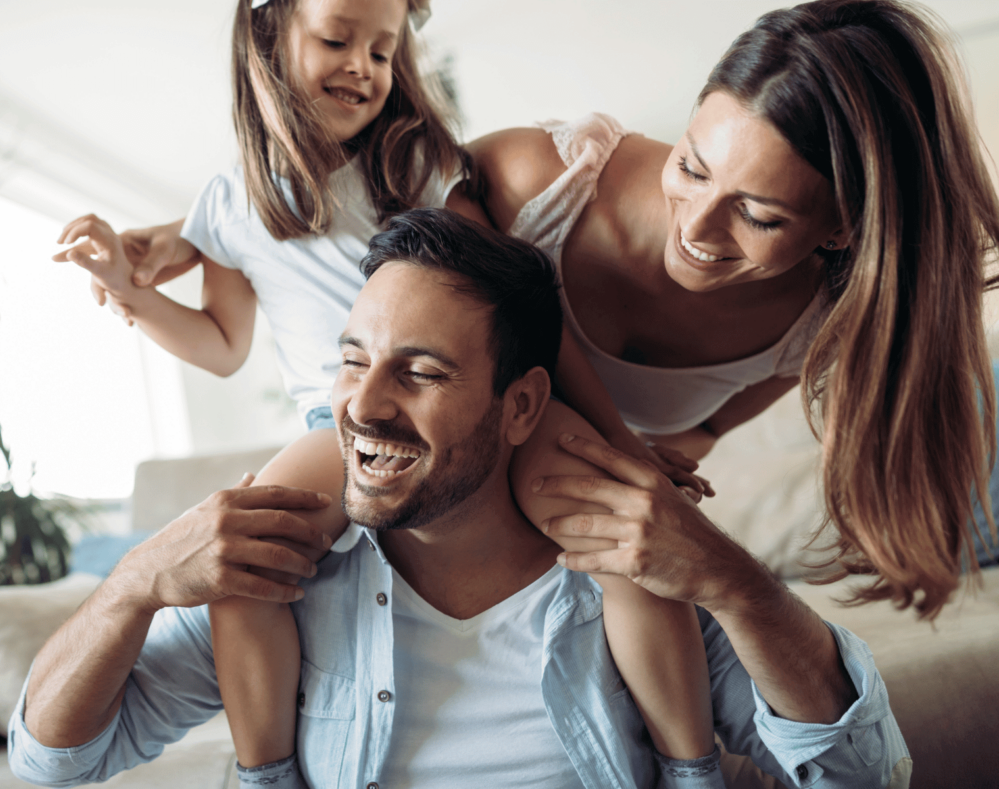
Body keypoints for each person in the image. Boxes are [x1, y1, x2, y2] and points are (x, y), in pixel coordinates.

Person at [11, 208, 910, 789]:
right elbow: (51, 761)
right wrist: (134, 581)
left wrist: (736, 583)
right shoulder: (283, 567)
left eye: (422, 371)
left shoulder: (628, 567)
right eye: (353, 358)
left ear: (521, 404)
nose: (359, 406)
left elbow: (865, 776)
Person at [54, 0, 717, 778]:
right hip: (334, 424)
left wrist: (619, 445)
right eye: (338, 39)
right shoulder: (229, 205)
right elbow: (221, 345)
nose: (362, 68)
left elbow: (517, 315)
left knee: (620, 544)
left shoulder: (416, 167)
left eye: (381, 50)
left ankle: (690, 765)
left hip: (468, 393)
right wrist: (123, 289)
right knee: (249, 563)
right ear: (268, 37)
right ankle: (265, 771)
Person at [468, 0, 999, 620]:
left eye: (758, 216)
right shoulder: (532, 184)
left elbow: (704, 430)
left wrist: (655, 478)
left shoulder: (819, 324)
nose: (695, 227)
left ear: (843, 230)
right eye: (692, 167)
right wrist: (619, 443)